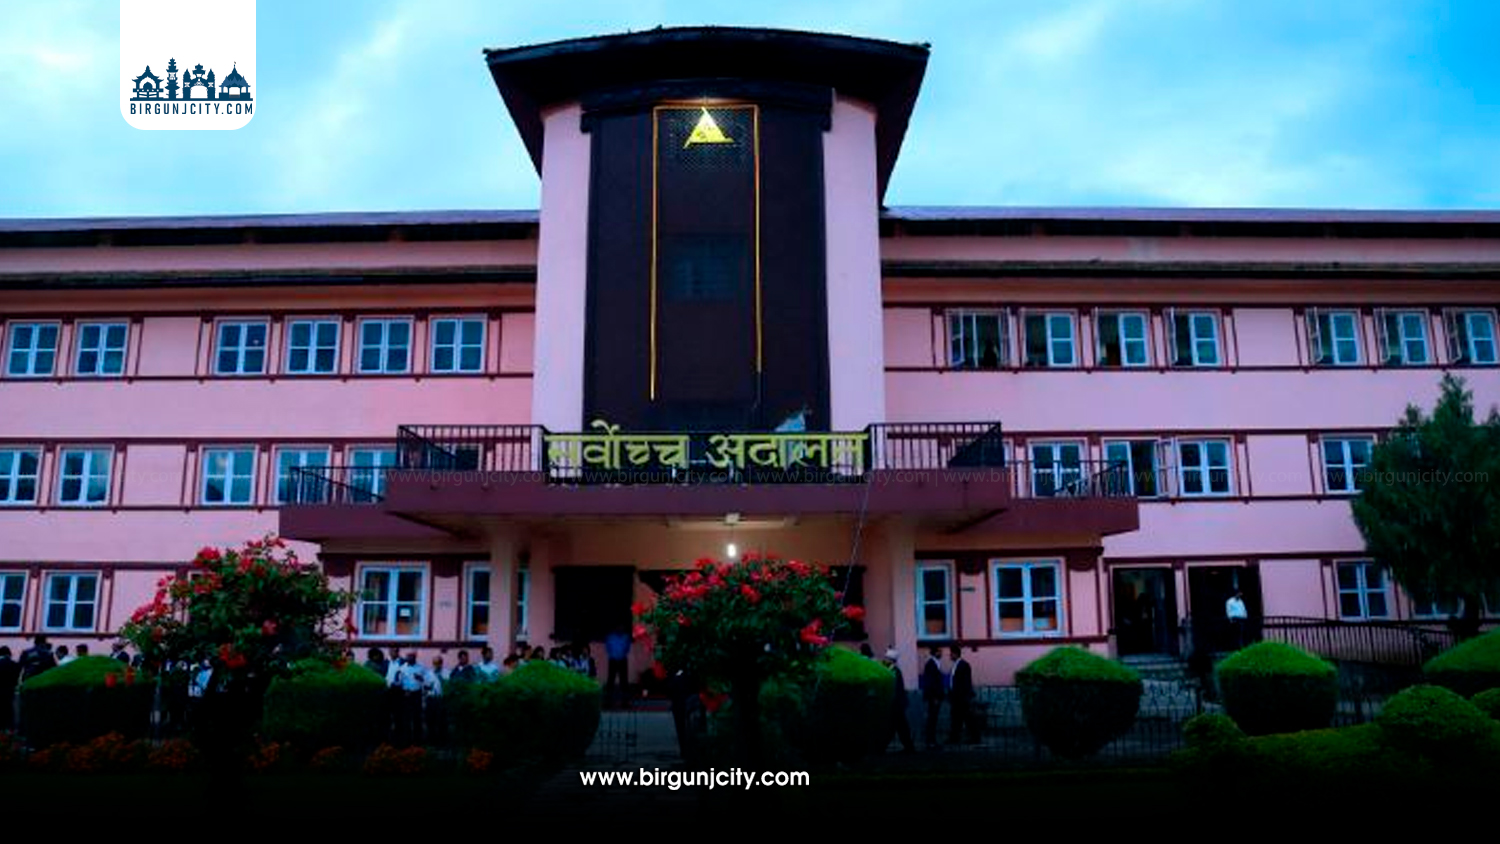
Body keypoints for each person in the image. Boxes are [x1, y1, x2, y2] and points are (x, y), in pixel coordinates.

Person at [883, 647, 915, 753]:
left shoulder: (895, 672)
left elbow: (896, 689)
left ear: (891, 660)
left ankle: (881, 747)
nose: (885, 660)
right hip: (897, 704)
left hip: (896, 704)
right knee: (898, 727)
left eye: (887, 658)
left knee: (894, 727)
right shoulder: (892, 670)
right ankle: (909, 747)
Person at [947, 644, 978, 745]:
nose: (950, 656)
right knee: (956, 718)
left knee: (968, 718)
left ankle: (975, 738)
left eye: (951, 654)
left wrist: (966, 696)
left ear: (955, 654)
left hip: (962, 698)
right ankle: (954, 738)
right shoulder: (955, 665)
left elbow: (966, 682)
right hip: (955, 697)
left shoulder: (964, 665)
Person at [919, 645, 944, 748]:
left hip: (935, 697)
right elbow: (931, 683)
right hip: (934, 697)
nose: (941, 653)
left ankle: (932, 740)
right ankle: (930, 741)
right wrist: (934, 697)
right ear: (935, 652)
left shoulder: (935, 663)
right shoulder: (931, 664)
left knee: (933, 719)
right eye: (939, 651)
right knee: (932, 719)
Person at [604, 627, 632, 708]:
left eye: (621, 627)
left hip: (622, 660)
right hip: (613, 660)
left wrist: (622, 655)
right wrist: (612, 655)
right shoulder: (610, 637)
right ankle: (607, 702)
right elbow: (607, 647)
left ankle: (625, 702)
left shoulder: (626, 637)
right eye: (618, 627)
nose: (620, 629)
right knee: (610, 681)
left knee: (624, 681)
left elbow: (627, 648)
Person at [0, 647, 20, 731]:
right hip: (10, 689)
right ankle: (10, 729)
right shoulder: (14, 664)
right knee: (9, 709)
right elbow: (17, 677)